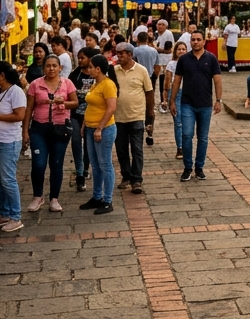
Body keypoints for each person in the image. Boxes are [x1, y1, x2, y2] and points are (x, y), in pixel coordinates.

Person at [23, 55, 78, 213]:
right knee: (39, 164)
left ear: (60, 68)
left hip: (60, 129)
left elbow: (75, 102)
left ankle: (54, 198)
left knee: (56, 164)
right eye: (48, 66)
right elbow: (29, 109)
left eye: (54, 66)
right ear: (43, 68)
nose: (51, 69)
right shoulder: (35, 84)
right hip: (39, 129)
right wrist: (25, 131)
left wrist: (63, 103)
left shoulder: (67, 83)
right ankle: (37, 196)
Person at [169, 30, 222, 182]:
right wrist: (172, 101)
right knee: (186, 135)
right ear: (190, 41)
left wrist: (218, 100)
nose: (196, 42)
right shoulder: (184, 59)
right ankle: (187, 167)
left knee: (203, 138)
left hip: (205, 104)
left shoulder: (211, 58)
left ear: (204, 41)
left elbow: (217, 80)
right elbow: (177, 81)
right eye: (193, 40)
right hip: (187, 104)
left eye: (199, 39)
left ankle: (199, 167)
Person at [0, 61, 29, 233]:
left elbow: (19, 115)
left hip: (9, 141)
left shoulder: (16, 92)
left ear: (2, 75)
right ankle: (3, 213)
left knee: (8, 179)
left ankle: (16, 216)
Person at [113, 42, 154, 195]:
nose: (119, 56)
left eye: (122, 53)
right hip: (118, 117)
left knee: (137, 149)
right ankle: (126, 176)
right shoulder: (114, 71)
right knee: (121, 149)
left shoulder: (141, 70)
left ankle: (137, 179)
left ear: (130, 54)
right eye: (117, 53)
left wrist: (150, 115)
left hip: (136, 115)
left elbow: (149, 93)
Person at [80, 55, 118, 214]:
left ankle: (107, 200)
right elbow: (89, 106)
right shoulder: (95, 84)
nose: (88, 70)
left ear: (98, 69)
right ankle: (96, 196)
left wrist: (99, 128)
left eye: (90, 67)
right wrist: (84, 125)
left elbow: (111, 108)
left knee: (105, 164)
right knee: (95, 165)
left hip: (103, 129)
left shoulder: (108, 85)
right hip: (90, 127)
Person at [68, 46, 98, 191]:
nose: (79, 60)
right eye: (78, 58)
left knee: (88, 145)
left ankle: (86, 168)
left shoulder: (97, 77)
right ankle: (79, 173)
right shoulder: (74, 76)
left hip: (92, 117)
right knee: (75, 142)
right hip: (75, 115)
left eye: (82, 58)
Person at [164, 41, 188, 157]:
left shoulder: (191, 63)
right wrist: (165, 98)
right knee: (178, 122)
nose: (181, 51)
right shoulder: (172, 64)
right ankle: (180, 147)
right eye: (179, 49)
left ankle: (186, 145)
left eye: (183, 49)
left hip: (188, 93)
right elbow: (167, 82)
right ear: (175, 51)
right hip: (176, 93)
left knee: (187, 121)